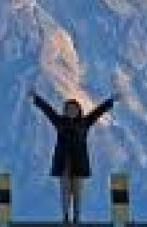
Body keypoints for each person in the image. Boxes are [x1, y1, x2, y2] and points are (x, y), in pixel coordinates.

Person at [29, 88, 120, 224]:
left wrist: (111, 101)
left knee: (78, 192)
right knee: (65, 191)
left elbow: (98, 111)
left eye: (74, 109)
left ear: (79, 110)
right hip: (63, 162)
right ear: (65, 111)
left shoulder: (85, 122)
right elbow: (48, 110)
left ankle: (77, 217)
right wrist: (36, 98)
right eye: (68, 109)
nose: (71, 111)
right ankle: (66, 217)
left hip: (79, 162)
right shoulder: (59, 121)